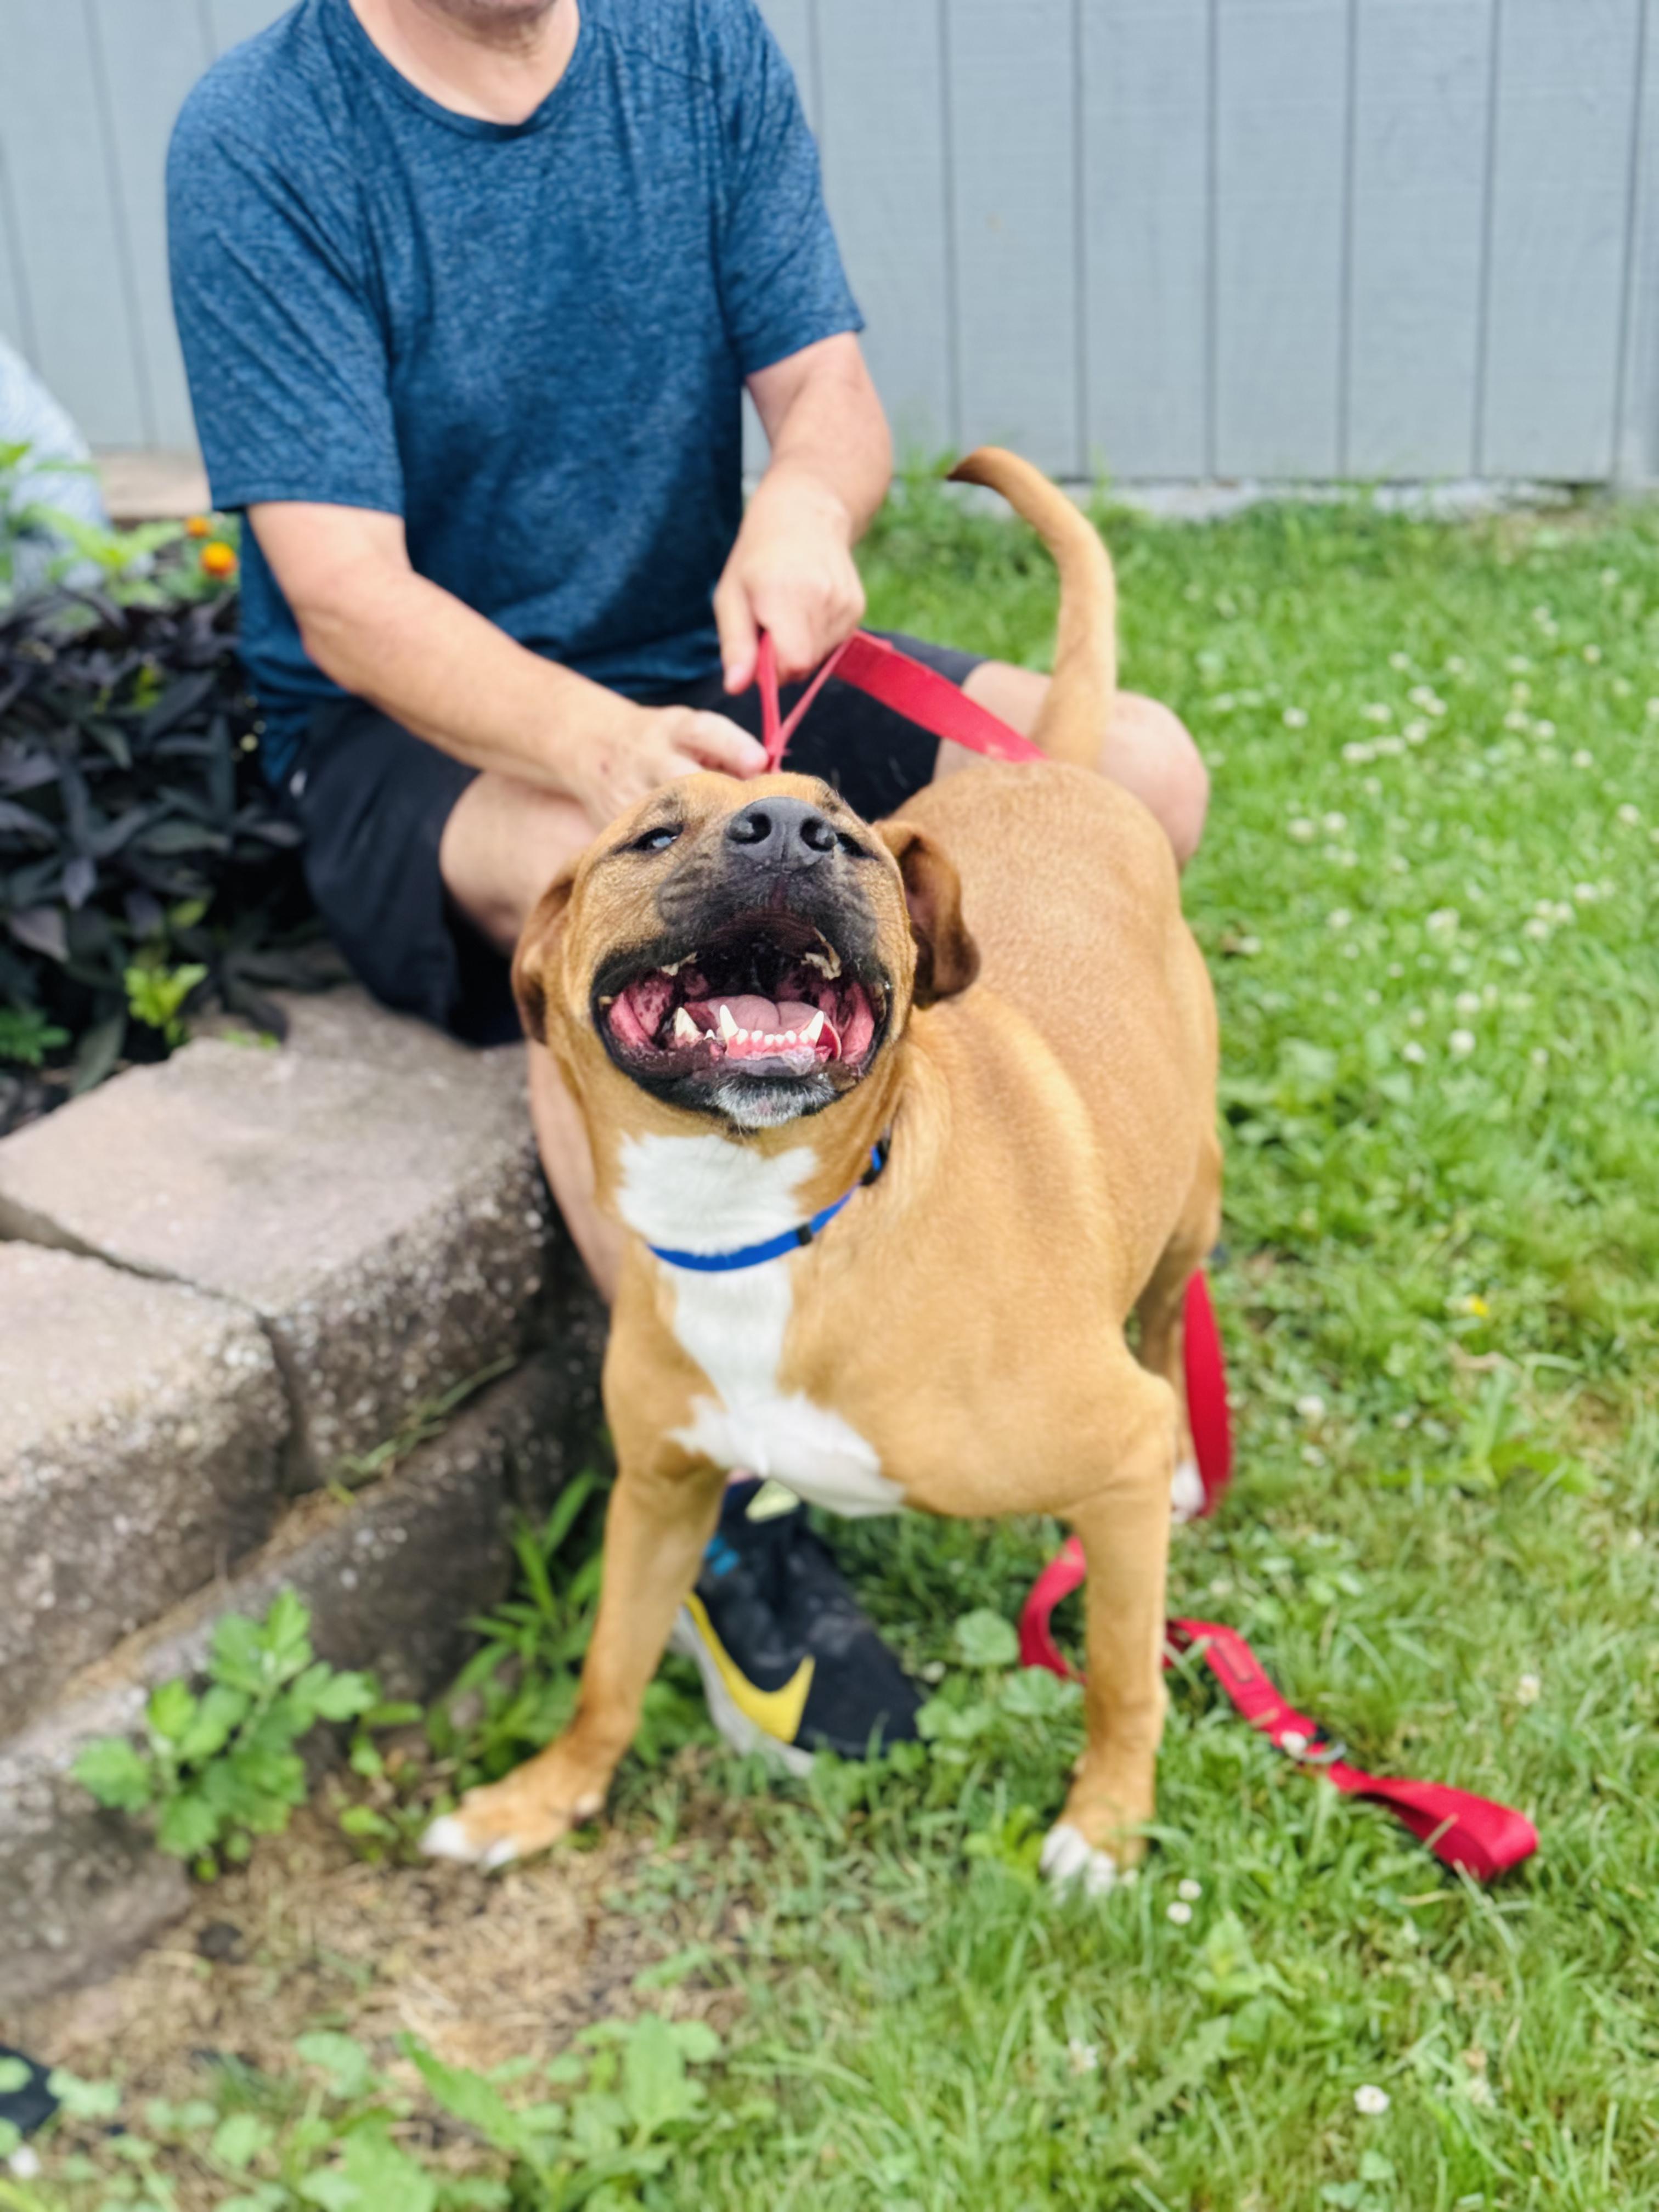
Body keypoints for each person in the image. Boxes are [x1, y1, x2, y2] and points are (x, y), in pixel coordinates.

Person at [167, 0, 1209, 1771]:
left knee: (1144, 769)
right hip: (418, 735)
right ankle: (729, 1490)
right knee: (588, 898)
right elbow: (342, 592)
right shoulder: (264, 136)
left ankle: (965, 1238)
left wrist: (806, 504)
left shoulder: (695, 47)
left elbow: (828, 393)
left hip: (717, 675)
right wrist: (605, 758)